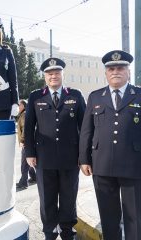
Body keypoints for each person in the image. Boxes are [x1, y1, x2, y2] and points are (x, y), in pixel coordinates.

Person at [79, 50, 141, 240]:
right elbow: (87, 131)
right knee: (108, 217)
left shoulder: (138, 94)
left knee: (135, 218)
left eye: (120, 68)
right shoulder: (95, 96)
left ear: (128, 72)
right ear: (106, 73)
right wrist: (84, 159)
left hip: (133, 165)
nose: (115, 71)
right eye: (111, 68)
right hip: (102, 165)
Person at [24, 57, 86, 240]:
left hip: (70, 158)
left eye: (57, 73)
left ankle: (67, 232)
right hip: (44, 158)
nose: (53, 76)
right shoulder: (36, 96)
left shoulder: (75, 95)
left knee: (68, 198)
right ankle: (49, 232)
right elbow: (28, 127)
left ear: (62, 75)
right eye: (50, 74)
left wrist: (83, 156)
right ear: (45, 76)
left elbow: (85, 128)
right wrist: (29, 153)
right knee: (47, 199)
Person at [16, 99, 36, 190]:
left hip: (26, 143)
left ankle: (23, 182)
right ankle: (35, 177)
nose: (18, 107)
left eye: (19, 105)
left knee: (24, 163)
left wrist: (23, 141)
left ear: (23, 106)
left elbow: (25, 129)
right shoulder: (24, 114)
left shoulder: (24, 115)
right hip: (29, 142)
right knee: (30, 162)